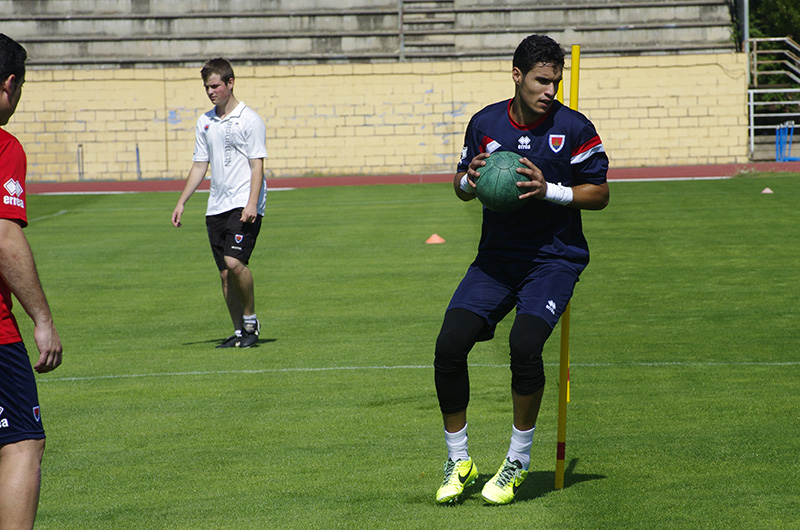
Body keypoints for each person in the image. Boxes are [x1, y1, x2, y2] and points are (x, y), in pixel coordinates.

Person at [433, 34, 609, 505]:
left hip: (554, 258)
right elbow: (460, 184)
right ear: (517, 76)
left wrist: (551, 189)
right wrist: (469, 180)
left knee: (525, 345)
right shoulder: (486, 123)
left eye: (555, 81)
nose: (550, 90)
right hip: (496, 259)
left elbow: (600, 192)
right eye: (541, 80)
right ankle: (458, 460)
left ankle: (517, 460)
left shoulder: (573, 128)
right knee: (449, 345)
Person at [0, 33, 64, 529]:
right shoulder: (4, 146)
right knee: (22, 441)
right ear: (9, 84)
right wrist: (41, 318)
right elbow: (3, 236)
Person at [171, 58, 268, 349]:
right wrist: (182, 201)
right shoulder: (205, 122)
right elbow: (200, 165)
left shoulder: (250, 119)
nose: (211, 91)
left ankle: (251, 321)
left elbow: (257, 165)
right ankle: (239, 332)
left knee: (234, 262)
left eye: (215, 86)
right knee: (225, 274)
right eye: (207, 87)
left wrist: (252, 204)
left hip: (243, 204)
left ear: (230, 83)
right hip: (216, 207)